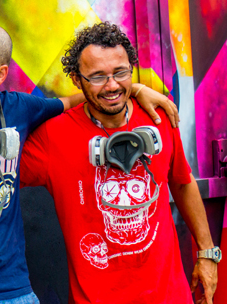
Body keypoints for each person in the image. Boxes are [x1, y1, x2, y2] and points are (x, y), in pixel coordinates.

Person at [0, 21, 177, 303]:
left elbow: (78, 98)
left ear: (0, 75)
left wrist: (132, 89)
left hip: (14, 292)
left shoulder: (21, 108)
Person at [20, 22, 218, 303]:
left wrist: (207, 253)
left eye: (121, 73)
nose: (112, 85)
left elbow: (183, 182)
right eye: (97, 76)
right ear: (77, 79)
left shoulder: (158, 118)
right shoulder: (52, 137)